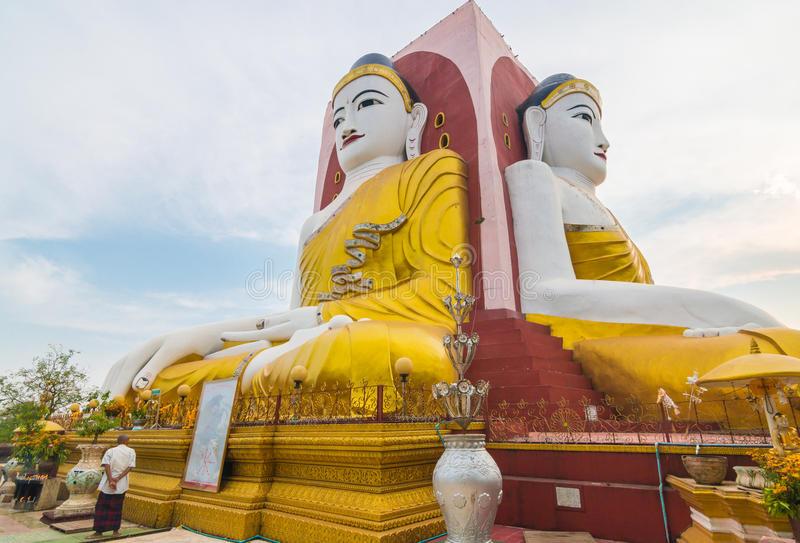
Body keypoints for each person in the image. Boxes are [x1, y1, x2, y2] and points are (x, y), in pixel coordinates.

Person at [101, 53, 469, 400]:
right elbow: (288, 319)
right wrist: (209, 338)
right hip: (301, 347)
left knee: (417, 356)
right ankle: (250, 376)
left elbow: (444, 295)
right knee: (163, 371)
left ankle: (237, 384)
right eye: (338, 118)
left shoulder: (431, 171)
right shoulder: (314, 223)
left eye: (368, 104)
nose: (348, 126)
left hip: (365, 336)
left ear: (413, 118)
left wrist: (320, 319)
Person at [91, 435, 136, 538]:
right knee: (117, 507)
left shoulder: (110, 451)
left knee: (101, 507)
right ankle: (115, 531)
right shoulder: (131, 451)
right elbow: (130, 467)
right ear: (127, 441)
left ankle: (98, 532)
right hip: (121, 483)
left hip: (108, 482)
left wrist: (111, 479)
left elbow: (106, 465)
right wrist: (117, 479)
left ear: (118, 441)